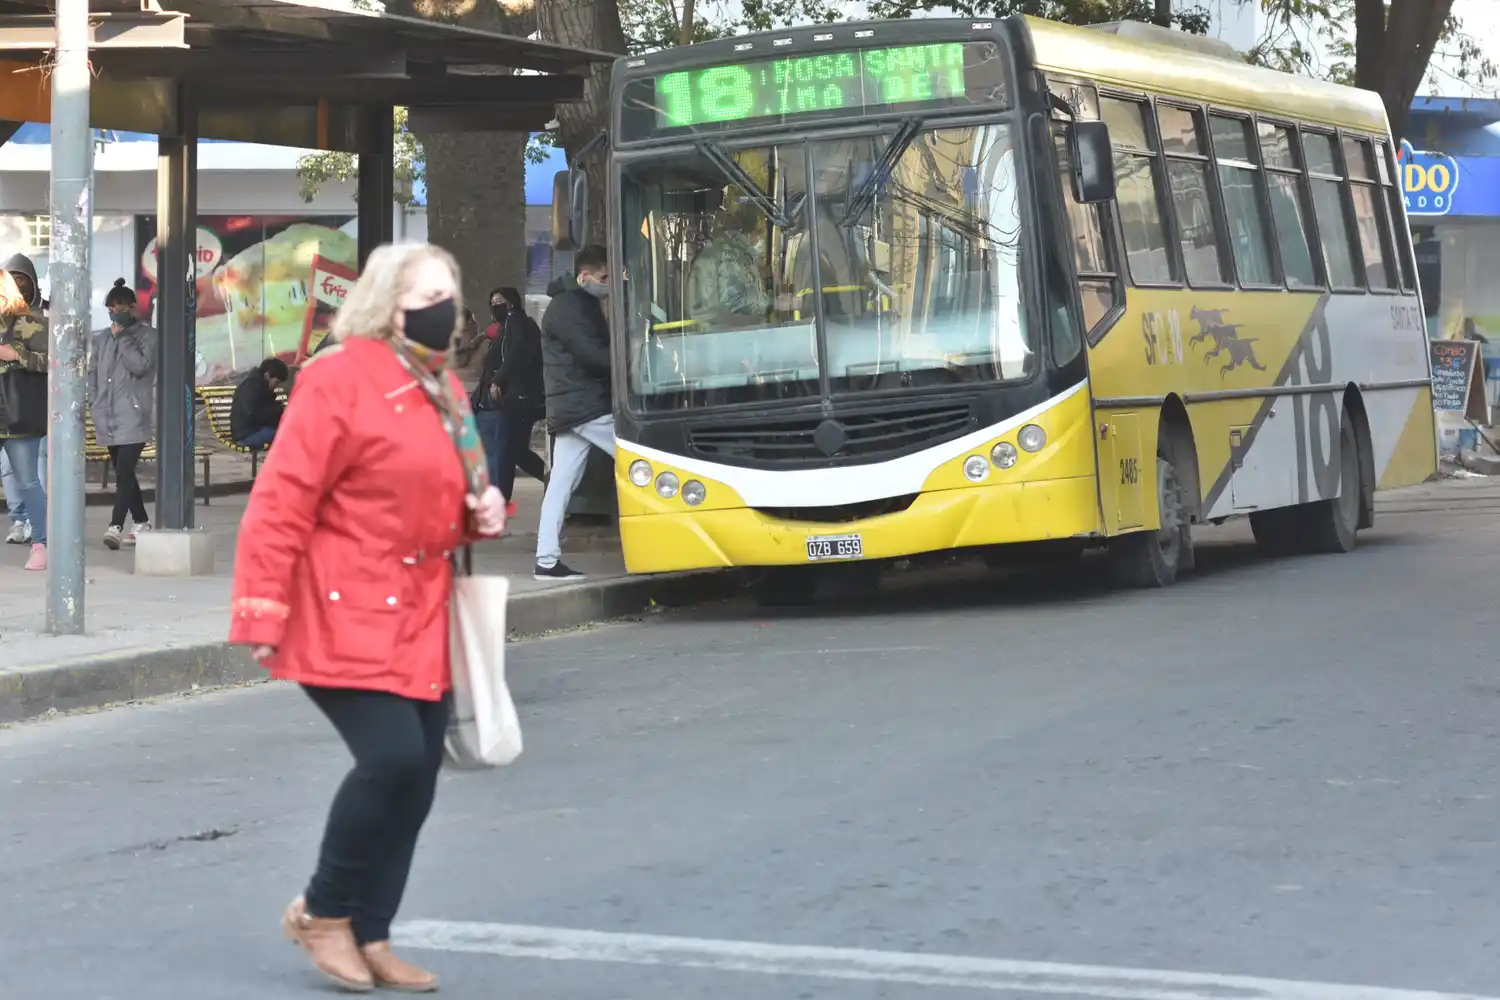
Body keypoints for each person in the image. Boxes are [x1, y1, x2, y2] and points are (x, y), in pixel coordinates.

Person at [228, 242, 506, 994]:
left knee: (417, 779)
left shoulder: (444, 386)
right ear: (387, 299)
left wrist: (482, 513)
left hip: (423, 609)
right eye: (428, 293)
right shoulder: (338, 377)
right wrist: (260, 609)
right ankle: (321, 911)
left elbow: (455, 496)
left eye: (452, 289)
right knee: (391, 761)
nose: (444, 307)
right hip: (340, 605)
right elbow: (281, 502)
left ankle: (372, 931)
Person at [534, 245, 614, 582]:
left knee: (561, 485)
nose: (609, 283)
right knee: (645, 458)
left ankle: (546, 560)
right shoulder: (572, 307)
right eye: (604, 277)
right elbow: (595, 356)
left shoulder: (571, 303)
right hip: (588, 407)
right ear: (584, 277)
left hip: (571, 407)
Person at [90, 279, 158, 550]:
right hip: (107, 415)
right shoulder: (102, 338)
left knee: (124, 471)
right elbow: (93, 372)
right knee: (124, 473)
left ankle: (115, 526)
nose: (115, 312)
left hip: (134, 413)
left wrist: (124, 339)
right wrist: (94, 401)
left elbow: (141, 366)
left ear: (132, 308)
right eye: (111, 308)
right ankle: (140, 521)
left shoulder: (147, 336)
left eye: (120, 307)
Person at [474, 287, 546, 511]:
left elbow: (515, 354)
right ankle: (554, 480)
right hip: (517, 396)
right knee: (515, 451)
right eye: (492, 301)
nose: (496, 305)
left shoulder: (516, 322)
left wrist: (498, 380)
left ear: (512, 303)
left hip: (517, 397)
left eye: (500, 301)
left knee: (507, 448)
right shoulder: (510, 326)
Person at [0, 256, 48, 571]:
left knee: (29, 481)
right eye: (10, 280)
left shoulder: (38, 323)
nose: (16, 287)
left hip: (21, 417)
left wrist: (19, 356)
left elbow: (58, 363)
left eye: (22, 281)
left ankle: (40, 545)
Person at [230, 357, 289, 450]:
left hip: (256, 430)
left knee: (290, 430)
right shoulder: (250, 387)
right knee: (288, 434)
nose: (276, 386)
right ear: (267, 375)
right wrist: (278, 412)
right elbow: (252, 414)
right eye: (276, 382)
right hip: (246, 435)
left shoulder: (261, 386)